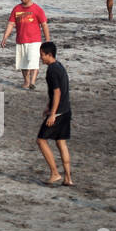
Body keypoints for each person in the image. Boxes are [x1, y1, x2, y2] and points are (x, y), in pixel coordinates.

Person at [35, 42, 73, 187]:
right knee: (61, 142)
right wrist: (48, 107)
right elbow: (60, 91)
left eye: (42, 55)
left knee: (41, 140)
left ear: (49, 54)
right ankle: (68, 178)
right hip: (66, 110)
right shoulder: (60, 66)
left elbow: (57, 92)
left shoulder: (51, 70)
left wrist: (52, 114)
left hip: (57, 114)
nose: (41, 58)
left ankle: (55, 173)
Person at [0, 0, 49, 89]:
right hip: (21, 40)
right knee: (23, 63)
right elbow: (11, 24)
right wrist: (5, 37)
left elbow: (44, 24)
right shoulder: (17, 9)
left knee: (33, 61)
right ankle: (26, 82)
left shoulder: (37, 9)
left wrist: (47, 40)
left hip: (34, 40)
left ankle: (33, 82)